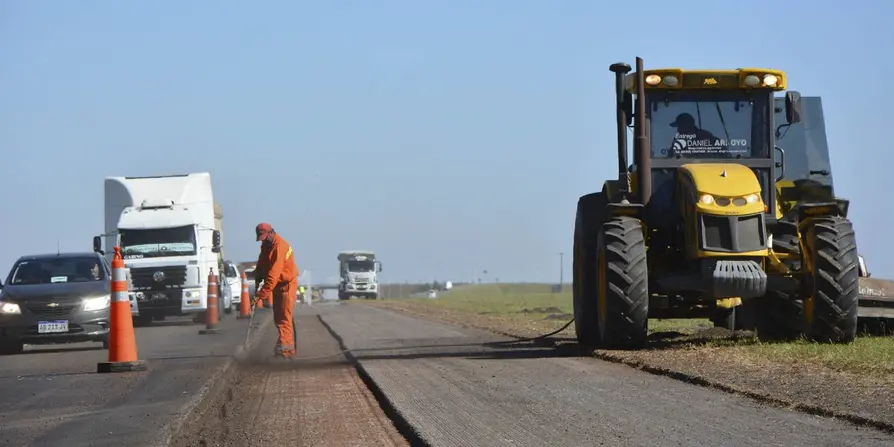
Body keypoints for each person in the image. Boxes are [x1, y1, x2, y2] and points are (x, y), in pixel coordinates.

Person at [253, 222, 300, 359]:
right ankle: (282, 346)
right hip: (278, 286)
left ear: (271, 233)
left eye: (264, 237)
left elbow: (273, 275)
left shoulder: (280, 247)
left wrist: (261, 294)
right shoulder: (267, 245)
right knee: (278, 318)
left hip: (287, 285)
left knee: (284, 319)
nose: (263, 241)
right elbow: (262, 261)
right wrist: (258, 275)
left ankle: (287, 352)